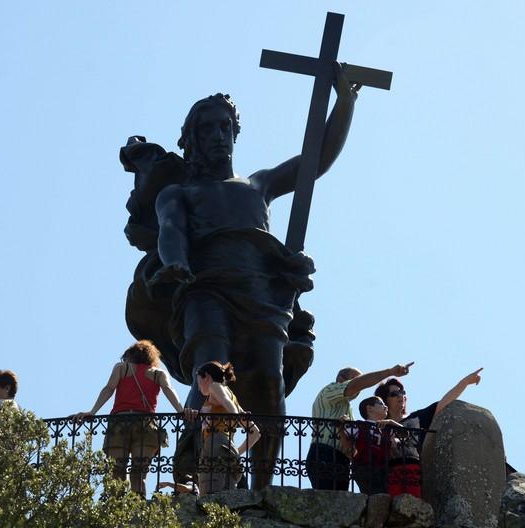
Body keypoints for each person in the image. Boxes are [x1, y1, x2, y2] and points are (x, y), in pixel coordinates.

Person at [121, 64, 362, 489]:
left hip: (262, 296)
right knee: (209, 367)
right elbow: (172, 231)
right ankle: (190, 472)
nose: (217, 135)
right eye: (208, 129)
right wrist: (175, 262)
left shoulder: (258, 185)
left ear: (235, 133)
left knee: (270, 385)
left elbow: (315, 161)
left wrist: (345, 102)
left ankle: (263, 487)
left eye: (224, 127)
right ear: (192, 140)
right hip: (204, 290)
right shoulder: (178, 193)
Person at [71, 340, 185, 497]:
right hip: (147, 426)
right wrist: (181, 411)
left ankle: (115, 507)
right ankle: (138, 509)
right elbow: (169, 390)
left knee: (117, 471)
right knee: (139, 473)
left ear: (130, 356)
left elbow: (109, 389)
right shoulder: (158, 373)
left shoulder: (122, 368)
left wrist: (93, 411)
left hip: (119, 424)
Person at [375, 367, 484, 498]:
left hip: (413, 474)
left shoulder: (417, 417)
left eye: (402, 392)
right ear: (385, 400)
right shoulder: (379, 425)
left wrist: (465, 382)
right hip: (388, 475)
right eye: (394, 394)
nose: (401, 396)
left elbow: (444, 402)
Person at [306, 363, 412, 490]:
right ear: (341, 378)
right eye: (358, 380)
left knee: (338, 504)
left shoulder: (347, 410)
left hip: (341, 460)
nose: (361, 387)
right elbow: (356, 384)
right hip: (324, 454)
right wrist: (389, 372)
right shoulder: (329, 391)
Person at [188, 361, 260, 495]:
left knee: (210, 498)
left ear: (207, 377)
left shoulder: (215, 386)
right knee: (223, 498)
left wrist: (235, 414)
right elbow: (255, 433)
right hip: (226, 446)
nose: (198, 388)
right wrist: (235, 452)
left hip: (214, 446)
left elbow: (228, 406)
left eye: (198, 382)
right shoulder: (233, 397)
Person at [338, 396, 402, 495]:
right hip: (364, 467)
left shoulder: (387, 429)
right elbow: (347, 444)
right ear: (369, 408)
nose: (386, 407)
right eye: (381, 404)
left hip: (382, 470)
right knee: (371, 493)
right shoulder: (359, 425)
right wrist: (342, 425)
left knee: (381, 494)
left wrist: (391, 422)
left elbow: (406, 435)